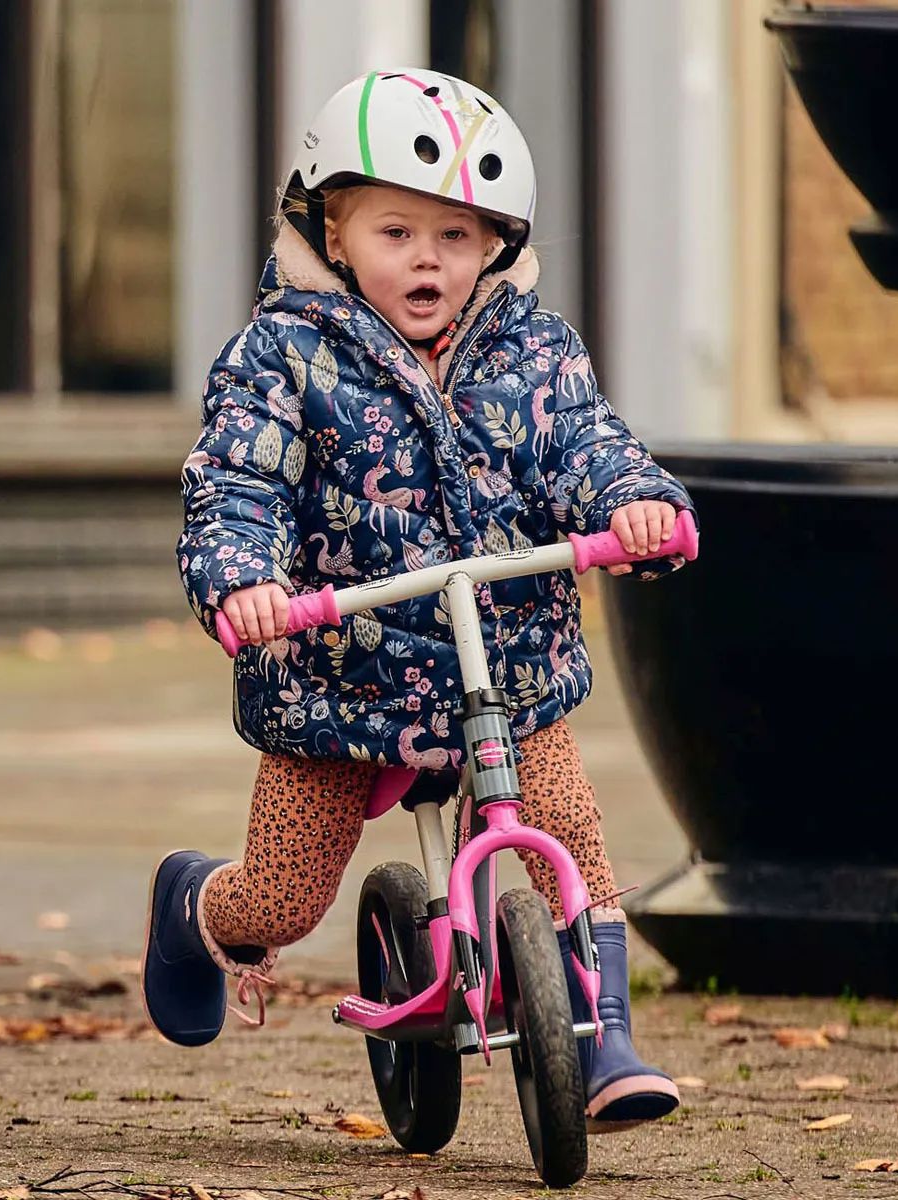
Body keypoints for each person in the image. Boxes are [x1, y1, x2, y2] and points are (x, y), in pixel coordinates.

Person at [145, 69, 696, 1128]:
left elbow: (588, 445)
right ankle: (193, 903)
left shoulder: (535, 350)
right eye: (397, 231)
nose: (429, 258)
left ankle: (607, 1034)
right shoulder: (285, 354)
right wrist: (245, 579)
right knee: (284, 897)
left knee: (573, 834)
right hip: (340, 681)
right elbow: (239, 479)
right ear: (333, 231)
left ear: (494, 243)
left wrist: (634, 504)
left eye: (456, 234)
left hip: (508, 669)